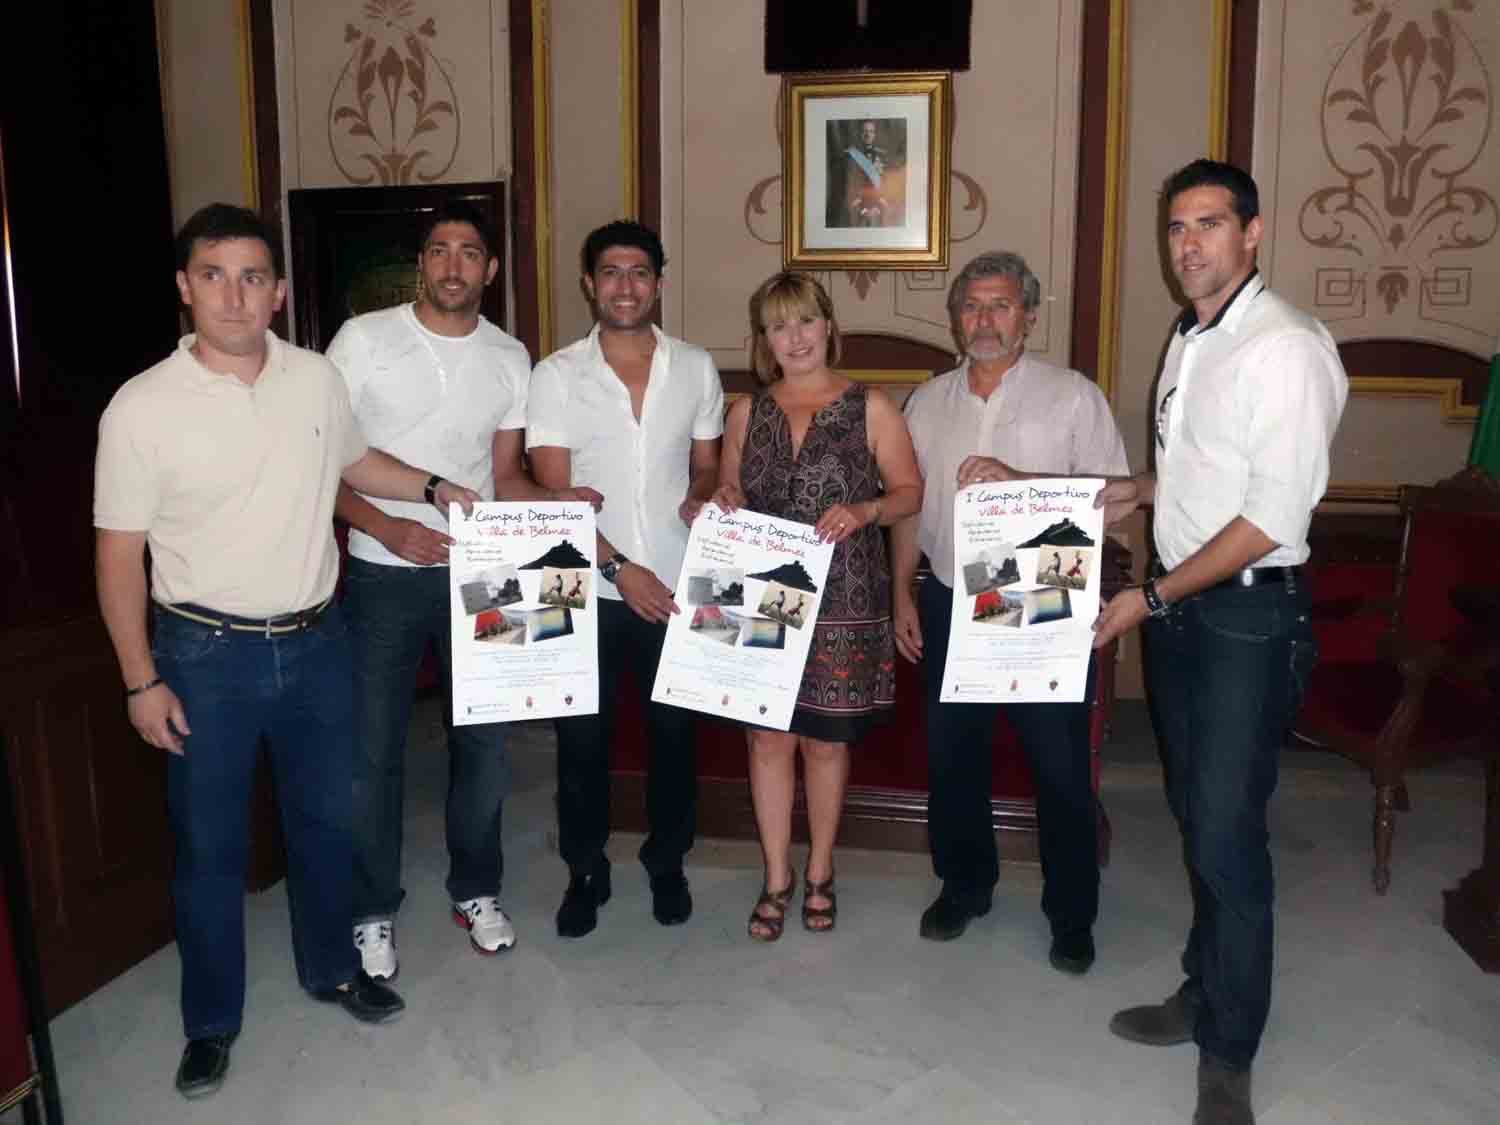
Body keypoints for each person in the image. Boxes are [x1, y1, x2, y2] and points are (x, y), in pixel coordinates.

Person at [94, 204, 481, 1099]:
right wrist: (139, 679)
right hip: (204, 656)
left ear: (277, 291)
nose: (235, 295)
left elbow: (354, 464)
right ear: (185, 288)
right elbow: (117, 557)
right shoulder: (141, 407)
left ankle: (334, 969)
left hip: (317, 644)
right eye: (214, 275)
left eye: (253, 276)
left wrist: (432, 486)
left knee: (327, 823)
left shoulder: (314, 378)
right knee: (210, 847)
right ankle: (210, 1022)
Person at [1093, 160, 1348, 1125]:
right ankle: (1204, 989)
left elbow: (1271, 516)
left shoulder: (1286, 347)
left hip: (1246, 616)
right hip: (1187, 612)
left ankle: (1230, 1051)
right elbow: (1209, 470)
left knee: (1228, 831)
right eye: (1176, 227)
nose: (1189, 243)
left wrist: (1150, 595)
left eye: (1208, 223)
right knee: (1195, 811)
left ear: (1253, 232)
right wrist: (1140, 491)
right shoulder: (1192, 334)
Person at [327, 200, 601, 981]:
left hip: (485, 570)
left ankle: (476, 889)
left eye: (470, 252)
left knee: (484, 744)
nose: (454, 265)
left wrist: (558, 504)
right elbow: (324, 459)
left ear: (490, 267)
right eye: (440, 250)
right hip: (382, 571)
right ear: (422, 262)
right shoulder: (363, 340)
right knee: (373, 750)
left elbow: (505, 474)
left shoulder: (510, 356)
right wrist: (387, 527)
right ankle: (371, 907)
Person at [891, 250, 1129, 973]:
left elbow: (1118, 497)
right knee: (953, 757)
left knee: (1059, 763)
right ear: (955, 318)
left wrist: (1023, 482)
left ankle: (1072, 914)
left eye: (1000, 305)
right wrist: (902, 589)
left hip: (1042, 596)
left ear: (1028, 315)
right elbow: (909, 506)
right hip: (948, 596)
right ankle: (964, 885)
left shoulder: (1073, 396)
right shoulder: (926, 403)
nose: (985, 320)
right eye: (972, 306)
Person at [526, 221, 724, 937]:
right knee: (581, 741)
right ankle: (586, 869)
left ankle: (667, 861)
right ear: (590, 283)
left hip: (675, 580)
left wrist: (702, 494)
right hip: (585, 583)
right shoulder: (555, 375)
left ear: (659, 283)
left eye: (639, 272)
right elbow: (556, 497)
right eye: (610, 272)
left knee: (674, 736)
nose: (625, 286)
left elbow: (707, 464)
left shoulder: (696, 367)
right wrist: (616, 566)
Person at [711, 272, 921, 941]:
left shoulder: (871, 406)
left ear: (828, 326)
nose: (795, 337)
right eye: (779, 325)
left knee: (826, 743)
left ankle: (822, 869)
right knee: (767, 738)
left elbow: (910, 493)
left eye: (805, 321)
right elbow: (727, 488)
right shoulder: (745, 413)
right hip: (761, 594)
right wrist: (724, 498)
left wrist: (866, 510)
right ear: (764, 338)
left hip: (844, 598)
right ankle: (777, 876)